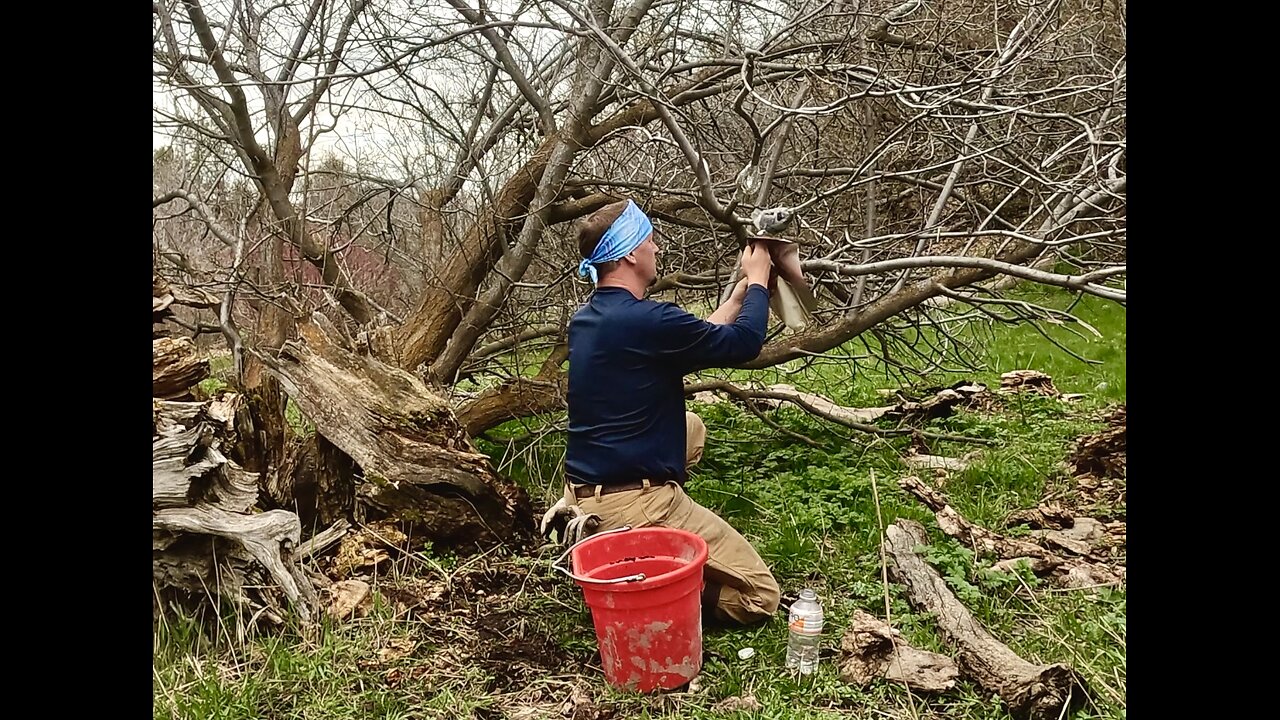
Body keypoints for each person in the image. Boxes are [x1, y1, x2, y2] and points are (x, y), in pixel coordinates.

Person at [550, 197, 781, 625]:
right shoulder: (649, 321)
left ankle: (610, 539)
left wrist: (739, 295)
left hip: (582, 489)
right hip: (631, 501)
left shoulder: (589, 319)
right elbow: (744, 343)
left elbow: (696, 339)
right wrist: (760, 281)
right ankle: (649, 576)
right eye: (650, 242)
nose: (657, 250)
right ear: (630, 254)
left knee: (691, 427)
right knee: (760, 597)